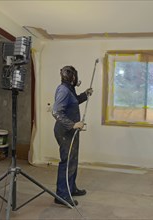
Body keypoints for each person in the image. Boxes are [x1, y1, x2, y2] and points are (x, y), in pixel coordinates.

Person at [52, 65, 93, 206]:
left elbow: (73, 102)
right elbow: (56, 112)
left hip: (70, 132)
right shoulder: (63, 90)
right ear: (73, 77)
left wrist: (85, 95)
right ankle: (62, 195)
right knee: (67, 162)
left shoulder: (69, 88)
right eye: (75, 75)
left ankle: (71, 188)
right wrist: (73, 124)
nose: (76, 78)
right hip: (65, 132)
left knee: (73, 160)